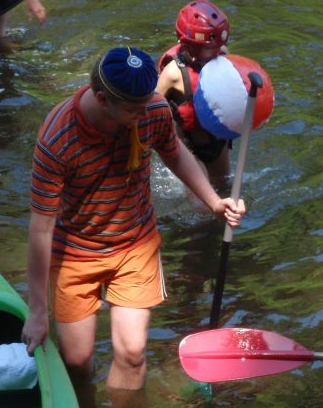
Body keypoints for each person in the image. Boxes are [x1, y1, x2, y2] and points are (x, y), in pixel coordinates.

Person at [21, 46, 245, 390]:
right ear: (103, 99)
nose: (144, 114)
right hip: (75, 254)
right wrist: (37, 312)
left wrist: (214, 201)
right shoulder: (58, 137)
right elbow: (41, 229)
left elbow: (174, 153)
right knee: (76, 362)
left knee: (133, 354)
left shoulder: (152, 108)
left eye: (146, 104)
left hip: (135, 245)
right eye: (133, 109)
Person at [156, 0, 232, 183]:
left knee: (223, 185)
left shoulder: (222, 54)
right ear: (191, 46)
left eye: (219, 45)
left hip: (218, 141)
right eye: (211, 47)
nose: (218, 52)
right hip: (187, 146)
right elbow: (151, 107)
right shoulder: (173, 73)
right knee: (201, 198)